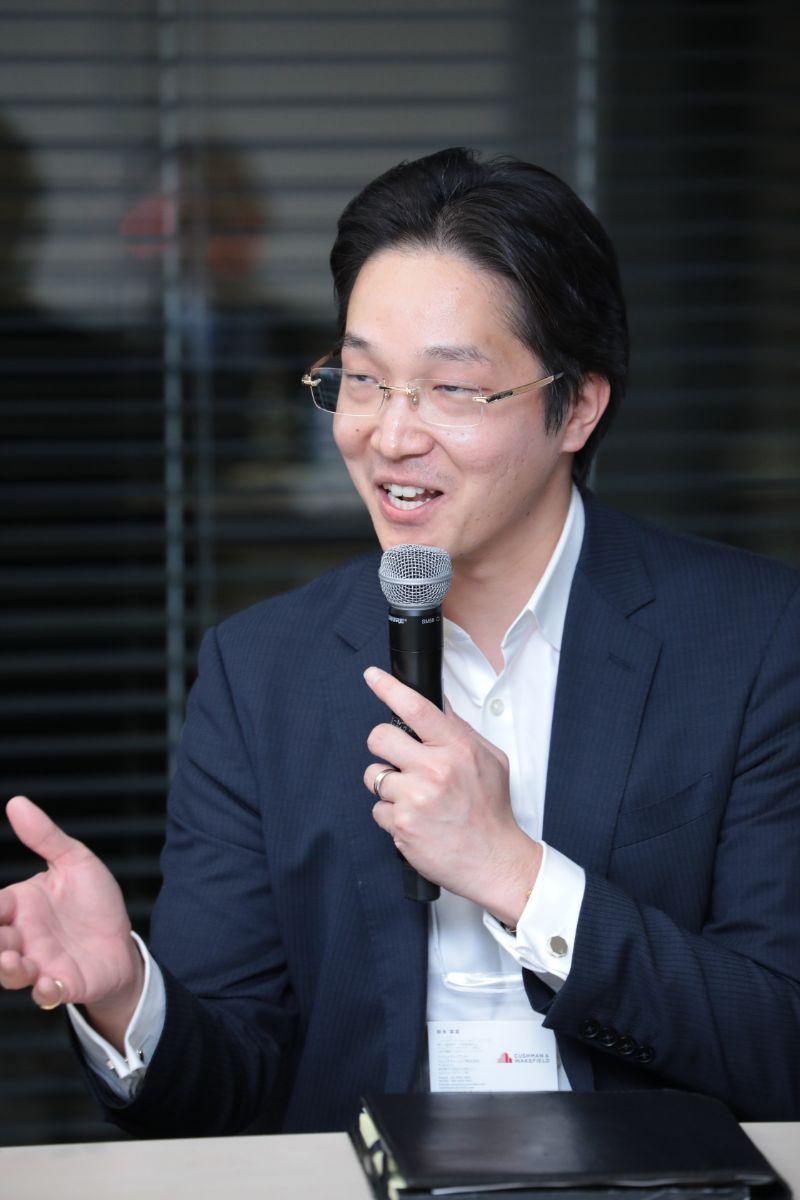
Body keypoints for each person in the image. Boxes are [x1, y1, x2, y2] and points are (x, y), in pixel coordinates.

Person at [2, 147, 799, 1136]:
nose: (388, 436)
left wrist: (513, 873)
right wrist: (127, 997)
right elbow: (229, 1093)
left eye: (452, 389)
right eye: (363, 380)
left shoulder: (753, 640)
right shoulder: (263, 672)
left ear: (578, 407)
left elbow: (779, 1042)